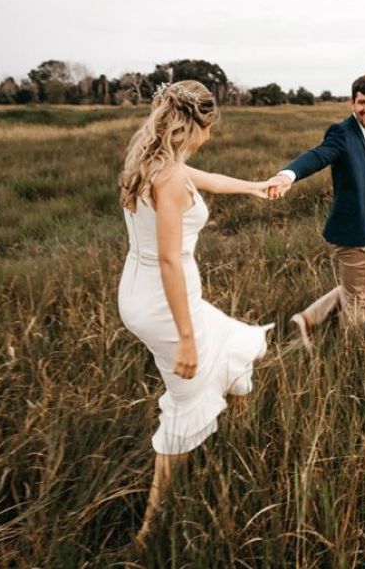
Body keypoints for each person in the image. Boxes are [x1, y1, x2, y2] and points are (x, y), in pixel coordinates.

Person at [117, 80, 283, 542]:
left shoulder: (151, 162)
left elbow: (206, 179)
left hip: (138, 293)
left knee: (233, 341)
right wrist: (186, 337)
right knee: (185, 405)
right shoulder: (169, 179)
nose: (209, 138)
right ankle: (149, 530)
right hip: (165, 301)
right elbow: (170, 259)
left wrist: (254, 186)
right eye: (208, 129)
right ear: (194, 124)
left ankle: (240, 434)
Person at [268, 73, 365, 348]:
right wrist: (288, 175)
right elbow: (319, 155)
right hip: (353, 231)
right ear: (352, 103)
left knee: (363, 289)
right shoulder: (342, 134)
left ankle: (307, 320)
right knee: (358, 296)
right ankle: (352, 351)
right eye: (362, 102)